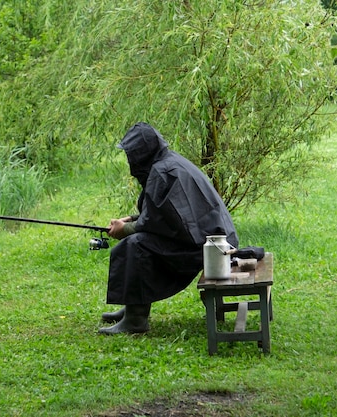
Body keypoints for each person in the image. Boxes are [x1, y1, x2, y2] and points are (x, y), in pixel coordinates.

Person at [99, 122, 239, 335]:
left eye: (131, 153)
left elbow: (161, 222)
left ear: (142, 152)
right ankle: (132, 306)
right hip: (212, 239)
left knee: (135, 245)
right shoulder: (168, 162)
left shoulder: (164, 171)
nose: (130, 159)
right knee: (137, 241)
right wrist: (131, 219)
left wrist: (126, 230)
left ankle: (136, 320)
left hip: (211, 247)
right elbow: (166, 213)